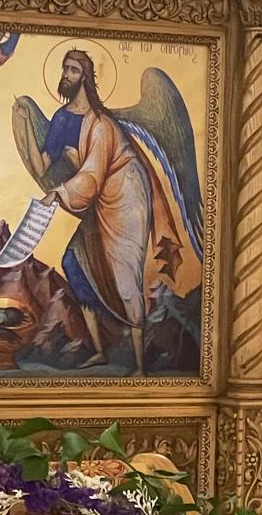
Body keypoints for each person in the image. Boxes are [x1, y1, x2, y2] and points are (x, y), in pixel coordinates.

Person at [13, 51, 185, 374]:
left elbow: (92, 175)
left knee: (126, 278)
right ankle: (99, 351)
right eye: (65, 68)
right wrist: (24, 126)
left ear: (85, 78)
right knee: (73, 262)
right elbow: (42, 166)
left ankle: (139, 367)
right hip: (98, 197)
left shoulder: (102, 125)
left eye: (73, 69)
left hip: (127, 195)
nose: (66, 74)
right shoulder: (63, 120)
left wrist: (59, 192)